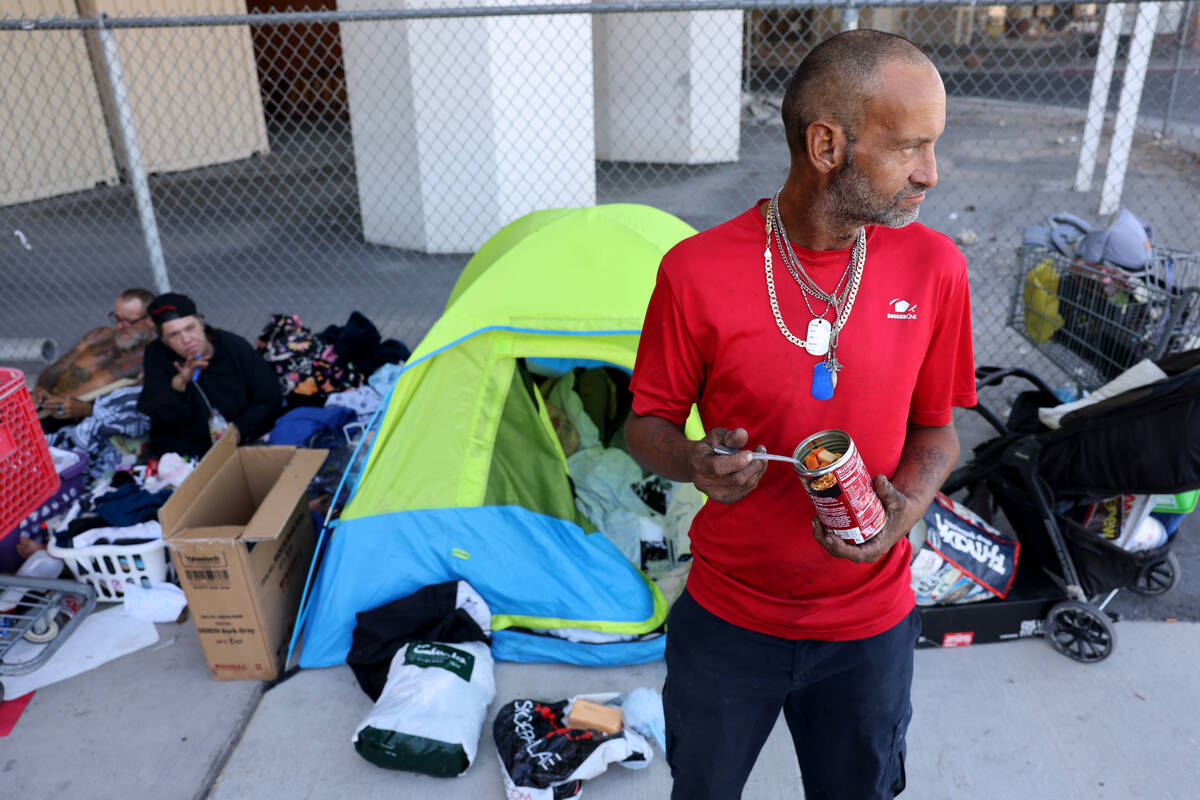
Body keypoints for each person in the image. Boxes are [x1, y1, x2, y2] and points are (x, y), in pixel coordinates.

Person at [624, 30, 977, 800]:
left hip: (869, 630)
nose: (931, 174)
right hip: (726, 622)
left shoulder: (934, 268)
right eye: (910, 147)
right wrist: (694, 463)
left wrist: (902, 510)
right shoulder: (696, 271)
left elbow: (937, 432)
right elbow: (645, 422)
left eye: (934, 146)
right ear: (826, 144)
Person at [138, 292, 282, 459]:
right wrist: (179, 385)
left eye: (190, 328)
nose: (186, 339)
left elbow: (269, 398)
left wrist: (239, 429)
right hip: (185, 451)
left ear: (201, 323)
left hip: (239, 441)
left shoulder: (232, 347)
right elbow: (159, 414)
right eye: (174, 335)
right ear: (164, 340)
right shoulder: (157, 354)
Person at [31, 288, 156, 425]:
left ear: (150, 320)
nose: (120, 326)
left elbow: (134, 415)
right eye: (117, 318)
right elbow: (55, 370)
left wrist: (86, 410)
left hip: (79, 423)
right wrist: (41, 388)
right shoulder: (99, 335)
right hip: (42, 409)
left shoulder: (152, 359)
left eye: (128, 321)